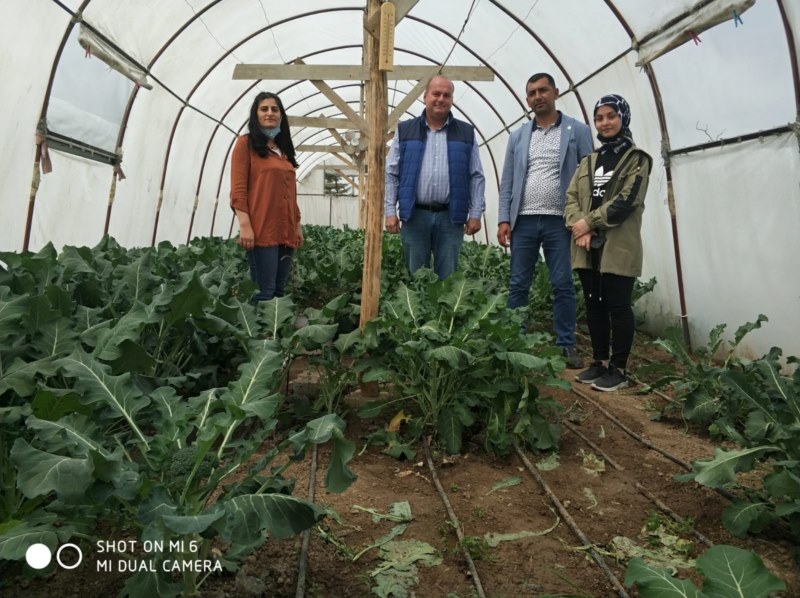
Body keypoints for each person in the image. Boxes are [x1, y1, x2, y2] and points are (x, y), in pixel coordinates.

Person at [497, 73, 593, 368]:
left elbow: (589, 176)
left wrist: (586, 220)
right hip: (523, 220)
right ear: (527, 100)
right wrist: (504, 219)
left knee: (562, 283)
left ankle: (565, 343)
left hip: (560, 222)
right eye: (531, 93)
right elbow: (508, 180)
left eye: (543, 90)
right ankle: (516, 338)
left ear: (555, 92)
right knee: (518, 284)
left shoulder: (576, 130)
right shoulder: (518, 136)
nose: (537, 96)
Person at [565, 94, 652, 391]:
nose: (605, 123)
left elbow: (627, 200)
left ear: (623, 118)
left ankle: (619, 369)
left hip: (617, 244)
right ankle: (600, 361)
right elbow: (571, 198)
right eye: (600, 118)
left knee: (618, 305)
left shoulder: (636, 159)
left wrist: (589, 222)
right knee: (594, 304)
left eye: (611, 116)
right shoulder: (589, 160)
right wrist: (581, 228)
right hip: (587, 245)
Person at [384, 75, 486, 280]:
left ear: (452, 100)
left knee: (448, 278)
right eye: (436, 94)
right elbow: (391, 172)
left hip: (451, 217)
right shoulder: (405, 130)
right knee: (416, 276)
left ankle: (444, 313)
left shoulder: (466, 132)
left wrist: (475, 213)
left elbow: (476, 175)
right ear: (425, 96)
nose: (440, 99)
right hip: (415, 215)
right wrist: (389, 210)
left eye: (446, 95)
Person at [230, 91, 303, 302]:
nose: (269, 113)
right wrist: (245, 225)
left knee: (279, 290)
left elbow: (291, 193)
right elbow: (238, 189)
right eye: (264, 109)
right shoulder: (245, 144)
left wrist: (297, 225)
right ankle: (258, 335)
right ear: (256, 114)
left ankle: (274, 333)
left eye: (274, 109)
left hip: (286, 230)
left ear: (281, 115)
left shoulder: (284, 150)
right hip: (262, 229)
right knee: (264, 291)